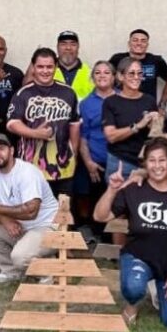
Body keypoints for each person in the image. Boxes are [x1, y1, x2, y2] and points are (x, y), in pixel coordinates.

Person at [94, 137, 167, 330]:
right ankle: (132, 304)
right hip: (139, 258)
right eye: (152, 160)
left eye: (162, 160)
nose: (157, 166)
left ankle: (160, 292)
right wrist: (111, 190)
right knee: (134, 286)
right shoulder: (135, 189)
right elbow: (100, 216)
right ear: (145, 164)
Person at [0, 133, 59, 283]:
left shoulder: (27, 172)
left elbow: (31, 212)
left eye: (1, 148)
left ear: (12, 150)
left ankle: (49, 271)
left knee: (20, 257)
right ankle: (12, 271)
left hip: (47, 226)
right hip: (23, 227)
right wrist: (4, 220)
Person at [7, 47, 81, 197]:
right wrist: (35, 133)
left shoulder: (68, 92)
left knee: (62, 214)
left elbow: (74, 125)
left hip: (63, 168)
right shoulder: (23, 93)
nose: (45, 71)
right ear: (33, 67)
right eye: (40, 67)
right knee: (34, 213)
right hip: (31, 169)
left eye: (49, 67)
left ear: (56, 67)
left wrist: (74, 153)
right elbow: (11, 124)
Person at [74, 61, 116, 242]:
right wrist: (89, 163)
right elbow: (83, 137)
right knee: (98, 199)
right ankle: (100, 237)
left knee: (118, 202)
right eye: (97, 73)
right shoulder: (86, 104)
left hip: (119, 161)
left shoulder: (123, 99)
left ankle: (116, 241)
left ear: (114, 77)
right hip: (96, 161)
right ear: (92, 78)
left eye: (107, 72)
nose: (102, 76)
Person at [102, 57, 160, 181]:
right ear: (120, 76)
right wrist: (138, 126)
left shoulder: (149, 100)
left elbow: (156, 135)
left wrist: (156, 124)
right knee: (119, 199)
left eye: (139, 73)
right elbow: (111, 136)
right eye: (131, 73)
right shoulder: (111, 102)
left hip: (145, 163)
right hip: (120, 162)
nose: (136, 77)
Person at [109, 29, 167, 109]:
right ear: (129, 43)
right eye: (135, 40)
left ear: (147, 44)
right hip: (121, 106)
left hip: (148, 108)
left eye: (143, 41)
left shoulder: (156, 60)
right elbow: (107, 77)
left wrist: (162, 105)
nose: (139, 43)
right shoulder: (117, 59)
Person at [54, 31, 93, 100]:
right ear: (57, 47)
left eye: (73, 44)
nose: (68, 47)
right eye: (63, 44)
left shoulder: (90, 72)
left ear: (78, 47)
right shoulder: (47, 71)